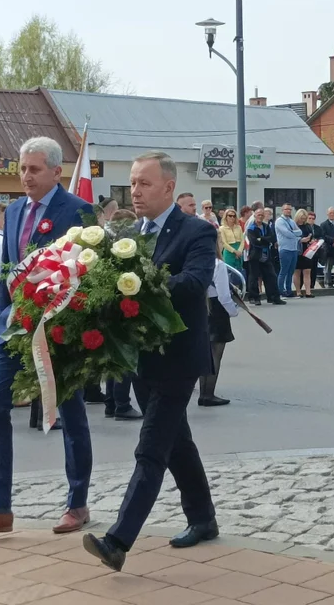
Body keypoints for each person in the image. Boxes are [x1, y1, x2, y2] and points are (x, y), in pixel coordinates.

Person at [0, 137, 94, 536]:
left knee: (71, 413)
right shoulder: (13, 211)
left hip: (58, 329)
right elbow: (11, 269)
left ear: (55, 172)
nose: (25, 177)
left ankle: (77, 502)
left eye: (33, 169)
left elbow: (89, 269)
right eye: (22, 169)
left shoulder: (79, 212)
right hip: (13, 327)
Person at [83, 151, 218, 572]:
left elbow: (194, 284)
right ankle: (203, 518)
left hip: (178, 357)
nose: (135, 191)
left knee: (151, 448)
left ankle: (118, 540)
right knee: (178, 444)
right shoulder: (127, 232)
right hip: (140, 357)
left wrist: (139, 287)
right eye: (133, 182)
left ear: (168, 187)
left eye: (144, 183)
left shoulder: (197, 230)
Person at [103, 209, 142, 422]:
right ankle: (122, 404)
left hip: (107, 304)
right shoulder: (126, 249)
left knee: (113, 355)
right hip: (124, 302)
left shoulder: (104, 243)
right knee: (126, 355)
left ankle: (111, 402)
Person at [200, 253, 238, 407]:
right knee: (216, 353)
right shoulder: (218, 264)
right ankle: (209, 394)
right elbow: (224, 296)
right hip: (216, 307)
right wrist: (233, 311)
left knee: (205, 352)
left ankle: (203, 393)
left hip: (201, 306)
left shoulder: (196, 260)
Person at [246, 209, 285, 305]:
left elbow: (272, 238)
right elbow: (254, 241)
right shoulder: (251, 228)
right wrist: (264, 240)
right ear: (255, 216)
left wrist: (261, 238)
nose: (260, 216)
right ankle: (255, 298)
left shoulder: (266, 226)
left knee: (271, 276)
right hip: (255, 256)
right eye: (258, 215)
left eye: (262, 215)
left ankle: (274, 297)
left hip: (266, 255)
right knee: (254, 277)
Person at [275, 203, 301, 298]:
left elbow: (300, 231)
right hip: (285, 249)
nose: (288, 211)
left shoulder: (291, 221)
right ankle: (281, 291)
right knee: (284, 271)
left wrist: (293, 233)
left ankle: (289, 291)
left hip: (293, 249)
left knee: (291, 271)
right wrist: (295, 235)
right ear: (282, 210)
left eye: (290, 209)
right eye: (286, 209)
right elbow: (287, 233)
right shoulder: (279, 221)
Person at [293, 209, 314, 297]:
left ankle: (308, 292)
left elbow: (311, 234)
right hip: (297, 249)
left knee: (307, 271)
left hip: (307, 250)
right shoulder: (294, 225)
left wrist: (311, 240)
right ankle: (298, 291)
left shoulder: (307, 226)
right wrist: (301, 240)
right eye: (301, 218)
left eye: (304, 218)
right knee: (297, 271)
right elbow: (291, 237)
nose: (303, 220)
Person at [321, 207, 334, 287]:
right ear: (327, 214)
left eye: (333, 213)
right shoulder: (323, 224)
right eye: (330, 213)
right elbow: (323, 236)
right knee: (328, 267)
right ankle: (327, 283)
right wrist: (333, 240)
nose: (332, 214)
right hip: (329, 249)